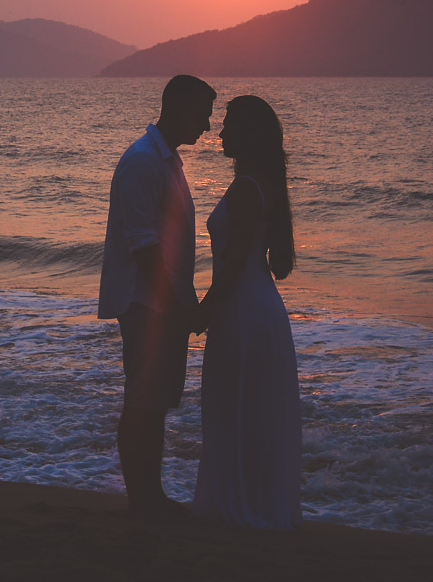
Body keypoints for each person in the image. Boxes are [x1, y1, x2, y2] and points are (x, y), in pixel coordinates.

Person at [98, 74, 216, 519]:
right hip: (148, 305)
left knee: (155, 401)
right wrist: (178, 303)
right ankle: (142, 499)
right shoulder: (144, 161)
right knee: (144, 401)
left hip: (161, 303)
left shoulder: (165, 161)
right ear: (180, 108)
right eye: (202, 115)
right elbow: (144, 247)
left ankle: (150, 494)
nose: (206, 127)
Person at [191, 94, 303, 530]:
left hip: (242, 312)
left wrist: (202, 312)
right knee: (251, 409)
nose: (220, 132)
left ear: (248, 133)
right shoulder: (264, 184)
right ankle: (253, 500)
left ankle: (240, 506)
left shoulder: (244, 189)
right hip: (259, 308)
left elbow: (235, 264)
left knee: (236, 407)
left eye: (229, 124)